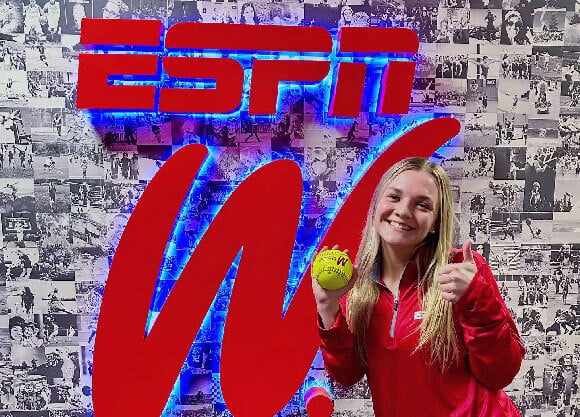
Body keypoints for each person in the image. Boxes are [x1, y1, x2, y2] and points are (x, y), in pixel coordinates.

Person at [312, 157, 524, 417]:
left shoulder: (461, 270)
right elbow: (347, 374)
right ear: (377, 204)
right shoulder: (358, 287)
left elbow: (500, 373)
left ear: (435, 222)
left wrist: (476, 298)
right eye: (394, 197)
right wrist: (327, 306)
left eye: (422, 205)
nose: (403, 211)